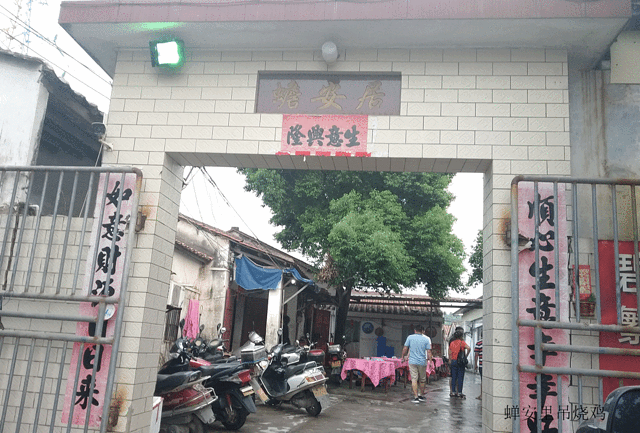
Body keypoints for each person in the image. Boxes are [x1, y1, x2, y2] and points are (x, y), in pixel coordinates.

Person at [402, 324, 432, 404]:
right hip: (422, 362)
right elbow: (429, 351)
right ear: (423, 331)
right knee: (422, 379)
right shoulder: (426, 339)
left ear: (415, 331)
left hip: (412, 362)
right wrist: (431, 361)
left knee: (414, 379)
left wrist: (402, 356)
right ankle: (421, 395)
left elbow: (405, 348)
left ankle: (416, 397)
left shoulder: (410, 337)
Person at [448, 327, 470, 399]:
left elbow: (449, 352)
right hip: (460, 362)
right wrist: (465, 356)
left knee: (454, 377)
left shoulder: (452, 343)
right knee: (460, 377)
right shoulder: (462, 342)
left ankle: (453, 392)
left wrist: (450, 360)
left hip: (453, 361)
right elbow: (469, 348)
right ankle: (459, 392)